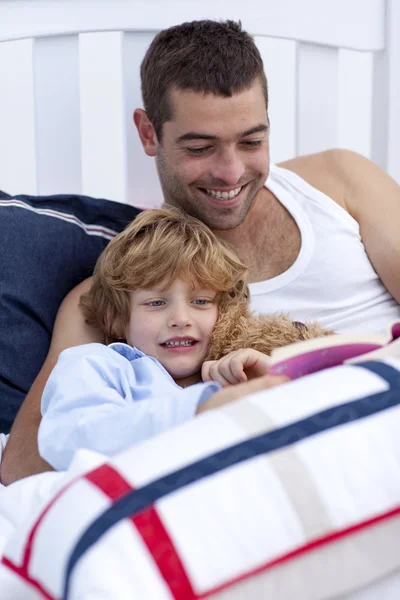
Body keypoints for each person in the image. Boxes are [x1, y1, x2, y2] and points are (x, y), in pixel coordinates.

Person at [2, 19, 400, 484]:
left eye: (252, 141)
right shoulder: (119, 296)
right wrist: (205, 410)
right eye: (200, 147)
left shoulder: (339, 180)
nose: (231, 173)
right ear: (149, 134)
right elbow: (27, 465)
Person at [37, 207, 330, 471]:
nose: (181, 318)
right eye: (155, 303)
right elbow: (69, 438)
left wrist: (268, 379)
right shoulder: (98, 364)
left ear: (224, 311)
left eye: (201, 301)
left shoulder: (227, 374)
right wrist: (202, 407)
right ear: (114, 319)